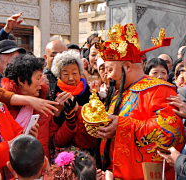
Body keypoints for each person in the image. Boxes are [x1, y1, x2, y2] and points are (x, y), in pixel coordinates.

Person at [95, 23, 184, 179]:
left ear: (127, 66)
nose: (107, 76)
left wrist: (123, 125)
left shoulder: (160, 90)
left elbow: (171, 134)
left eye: (110, 70)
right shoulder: (117, 94)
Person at [1, 54, 59, 158]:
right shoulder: (2, 108)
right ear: (21, 81)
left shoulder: (42, 105)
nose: (42, 84)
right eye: (38, 78)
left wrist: (67, 118)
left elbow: (55, 139)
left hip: (40, 167)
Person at [51, 50, 97, 154]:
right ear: (59, 75)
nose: (71, 78)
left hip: (88, 147)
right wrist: (57, 112)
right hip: (64, 149)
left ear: (80, 73)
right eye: (66, 74)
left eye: (75, 73)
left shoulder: (88, 90)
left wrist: (79, 110)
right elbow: (52, 126)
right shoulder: (55, 93)